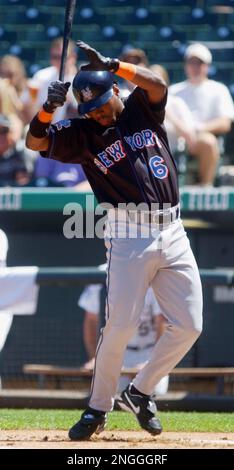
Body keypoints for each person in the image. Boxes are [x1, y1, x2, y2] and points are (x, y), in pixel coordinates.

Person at [26, 40, 203, 440]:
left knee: (190, 326)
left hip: (173, 229)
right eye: (92, 109)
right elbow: (34, 143)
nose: (100, 114)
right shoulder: (85, 132)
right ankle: (97, 408)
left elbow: (157, 83)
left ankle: (140, 392)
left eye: (104, 105)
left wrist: (116, 65)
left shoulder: (140, 109)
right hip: (128, 232)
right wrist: (47, 108)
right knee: (119, 326)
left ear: (116, 92)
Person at [78, 267, 169, 396]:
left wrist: (152, 362)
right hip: (116, 351)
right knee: (111, 393)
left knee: (156, 393)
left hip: (149, 351)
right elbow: (91, 321)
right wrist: (96, 357)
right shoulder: (102, 273)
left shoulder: (152, 269)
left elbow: (163, 322)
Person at [169, 43, 234, 185]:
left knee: (208, 142)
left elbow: (225, 123)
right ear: (186, 65)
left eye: (199, 63)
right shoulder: (174, 90)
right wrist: (185, 132)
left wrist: (197, 130)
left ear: (208, 66)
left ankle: (205, 188)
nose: (195, 67)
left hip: (201, 137)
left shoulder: (218, 89)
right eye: (191, 62)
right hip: (175, 138)